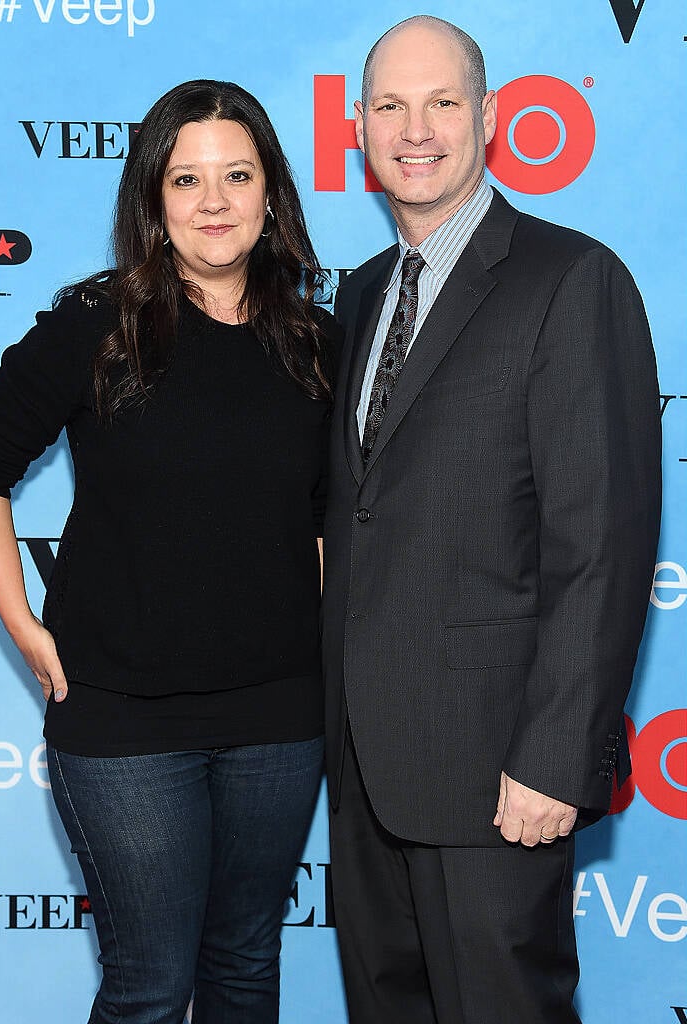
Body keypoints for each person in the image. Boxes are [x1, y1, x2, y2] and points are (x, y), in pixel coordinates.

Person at [0, 79, 339, 1024]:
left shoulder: (318, 340)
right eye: (184, 178)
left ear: (271, 191)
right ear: (152, 202)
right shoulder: (99, 324)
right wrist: (21, 624)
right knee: (152, 985)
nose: (212, 201)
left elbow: (327, 520)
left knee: (243, 965)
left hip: (281, 717)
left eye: (236, 175)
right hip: (124, 724)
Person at [322, 16, 661, 1024]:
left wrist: (556, 755)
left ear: (492, 117)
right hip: (365, 769)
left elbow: (599, 543)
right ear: (360, 128)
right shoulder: (359, 294)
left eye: (439, 102)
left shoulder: (570, 279)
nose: (413, 129)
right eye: (389, 105)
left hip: (496, 774)